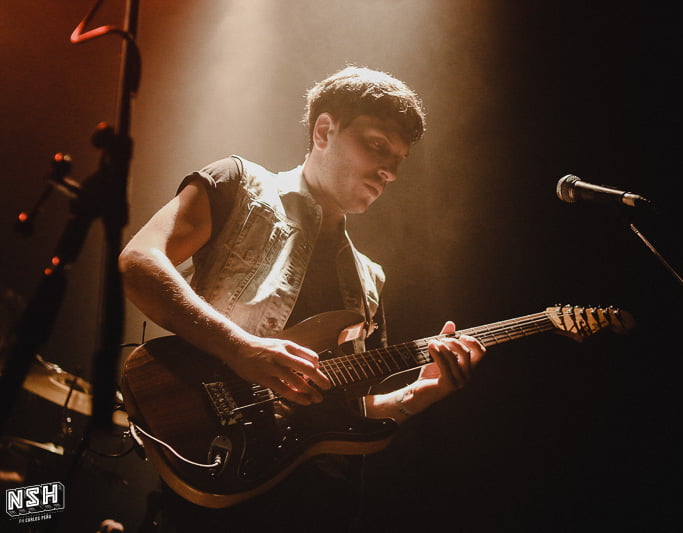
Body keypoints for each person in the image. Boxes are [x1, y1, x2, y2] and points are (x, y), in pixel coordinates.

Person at [118, 65, 486, 532]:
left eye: (399, 159)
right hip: (220, 483)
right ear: (324, 130)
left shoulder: (369, 278)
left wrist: (420, 393)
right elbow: (139, 262)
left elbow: (345, 414)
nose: (391, 172)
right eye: (378, 146)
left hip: (320, 506)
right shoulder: (239, 184)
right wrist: (240, 348)